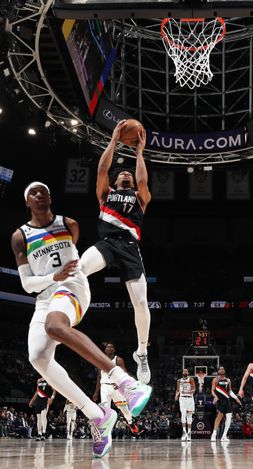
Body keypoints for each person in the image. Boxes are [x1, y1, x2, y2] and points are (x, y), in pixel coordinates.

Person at [12, 181, 152, 458]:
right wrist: (53, 277)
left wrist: (65, 276)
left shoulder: (69, 224)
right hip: (45, 295)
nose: (40, 195)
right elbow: (28, 284)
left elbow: (74, 261)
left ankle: (125, 381)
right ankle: (97, 415)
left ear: (50, 198)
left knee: (54, 326)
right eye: (33, 193)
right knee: (38, 357)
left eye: (44, 191)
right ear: (27, 201)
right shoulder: (20, 236)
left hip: (73, 287)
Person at [80, 121, 153, 383]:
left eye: (129, 175)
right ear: (114, 181)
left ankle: (141, 352)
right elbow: (102, 168)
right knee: (79, 269)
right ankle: (69, 310)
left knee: (141, 303)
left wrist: (139, 153)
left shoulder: (140, 198)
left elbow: (142, 178)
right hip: (108, 242)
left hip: (130, 247)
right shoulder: (105, 194)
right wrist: (113, 140)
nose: (127, 175)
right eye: (122, 174)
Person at [93, 342, 136, 432]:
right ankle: (105, 431)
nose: (109, 348)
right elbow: (99, 377)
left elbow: (124, 373)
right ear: (105, 349)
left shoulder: (118, 360)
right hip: (105, 387)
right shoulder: (101, 360)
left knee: (125, 411)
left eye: (111, 347)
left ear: (114, 350)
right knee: (105, 409)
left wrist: (119, 383)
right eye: (107, 347)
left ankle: (130, 422)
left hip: (116, 387)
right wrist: (96, 392)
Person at [210, 366, 240, 443]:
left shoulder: (228, 380)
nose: (222, 370)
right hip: (220, 400)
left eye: (223, 369)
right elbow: (212, 390)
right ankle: (214, 434)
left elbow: (230, 391)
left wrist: (236, 398)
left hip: (227, 400)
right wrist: (215, 396)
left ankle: (224, 436)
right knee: (219, 416)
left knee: (229, 418)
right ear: (218, 371)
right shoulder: (215, 380)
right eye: (220, 369)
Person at [28, 377, 55, 441]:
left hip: (46, 399)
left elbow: (54, 390)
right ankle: (39, 434)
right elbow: (37, 391)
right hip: (39, 400)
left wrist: (52, 398)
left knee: (43, 416)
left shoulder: (49, 379)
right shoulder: (39, 380)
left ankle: (44, 433)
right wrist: (32, 401)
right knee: (38, 418)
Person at [174, 368, 196, 441]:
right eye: (184, 371)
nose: (185, 372)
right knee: (183, 415)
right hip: (182, 399)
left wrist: (187, 392)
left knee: (189, 416)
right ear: (182, 372)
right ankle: (184, 432)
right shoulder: (179, 380)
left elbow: (194, 389)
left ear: (188, 373)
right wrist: (176, 395)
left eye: (186, 371)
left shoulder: (191, 379)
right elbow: (177, 390)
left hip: (190, 399)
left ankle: (189, 433)